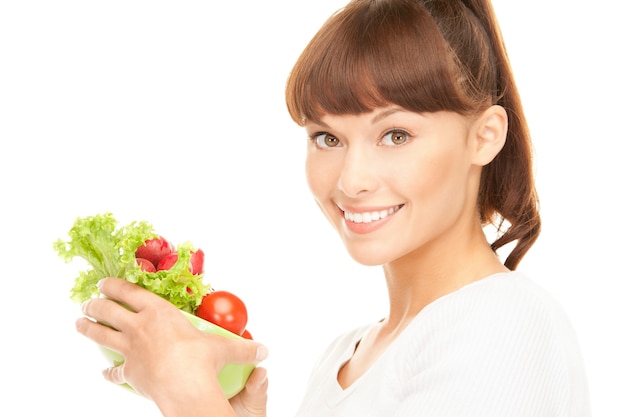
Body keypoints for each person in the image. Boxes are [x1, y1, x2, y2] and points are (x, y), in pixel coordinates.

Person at [76, 0, 592, 416]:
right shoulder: (346, 357)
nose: (351, 180)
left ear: (484, 137)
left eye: (395, 134)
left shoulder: (503, 324)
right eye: (327, 137)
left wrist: (191, 401)